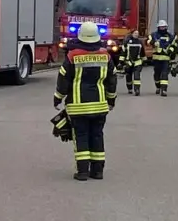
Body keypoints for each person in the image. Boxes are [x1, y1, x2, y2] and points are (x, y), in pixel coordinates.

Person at [54, 21, 118, 181]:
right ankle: (97, 171)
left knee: (81, 136)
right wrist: (111, 100)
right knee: (97, 135)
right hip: (100, 105)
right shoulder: (105, 55)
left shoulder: (72, 55)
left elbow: (63, 80)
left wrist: (58, 98)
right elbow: (112, 80)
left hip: (78, 107)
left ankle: (82, 172)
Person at [148, 20, 175, 97]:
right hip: (156, 58)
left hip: (166, 58)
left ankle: (164, 90)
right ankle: (158, 87)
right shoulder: (154, 35)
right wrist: (153, 42)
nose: (163, 28)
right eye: (161, 27)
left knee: (164, 74)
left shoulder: (170, 36)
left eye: (164, 27)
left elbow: (174, 45)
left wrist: (170, 50)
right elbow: (148, 40)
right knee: (157, 74)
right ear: (158, 27)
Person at [120, 30, 146, 95]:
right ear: (132, 34)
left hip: (138, 62)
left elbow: (142, 52)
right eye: (135, 33)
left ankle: (137, 90)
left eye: (137, 33)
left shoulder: (140, 42)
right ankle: (130, 89)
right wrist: (121, 62)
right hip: (129, 62)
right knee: (128, 76)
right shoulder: (127, 42)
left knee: (137, 76)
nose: (136, 34)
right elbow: (123, 52)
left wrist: (144, 60)